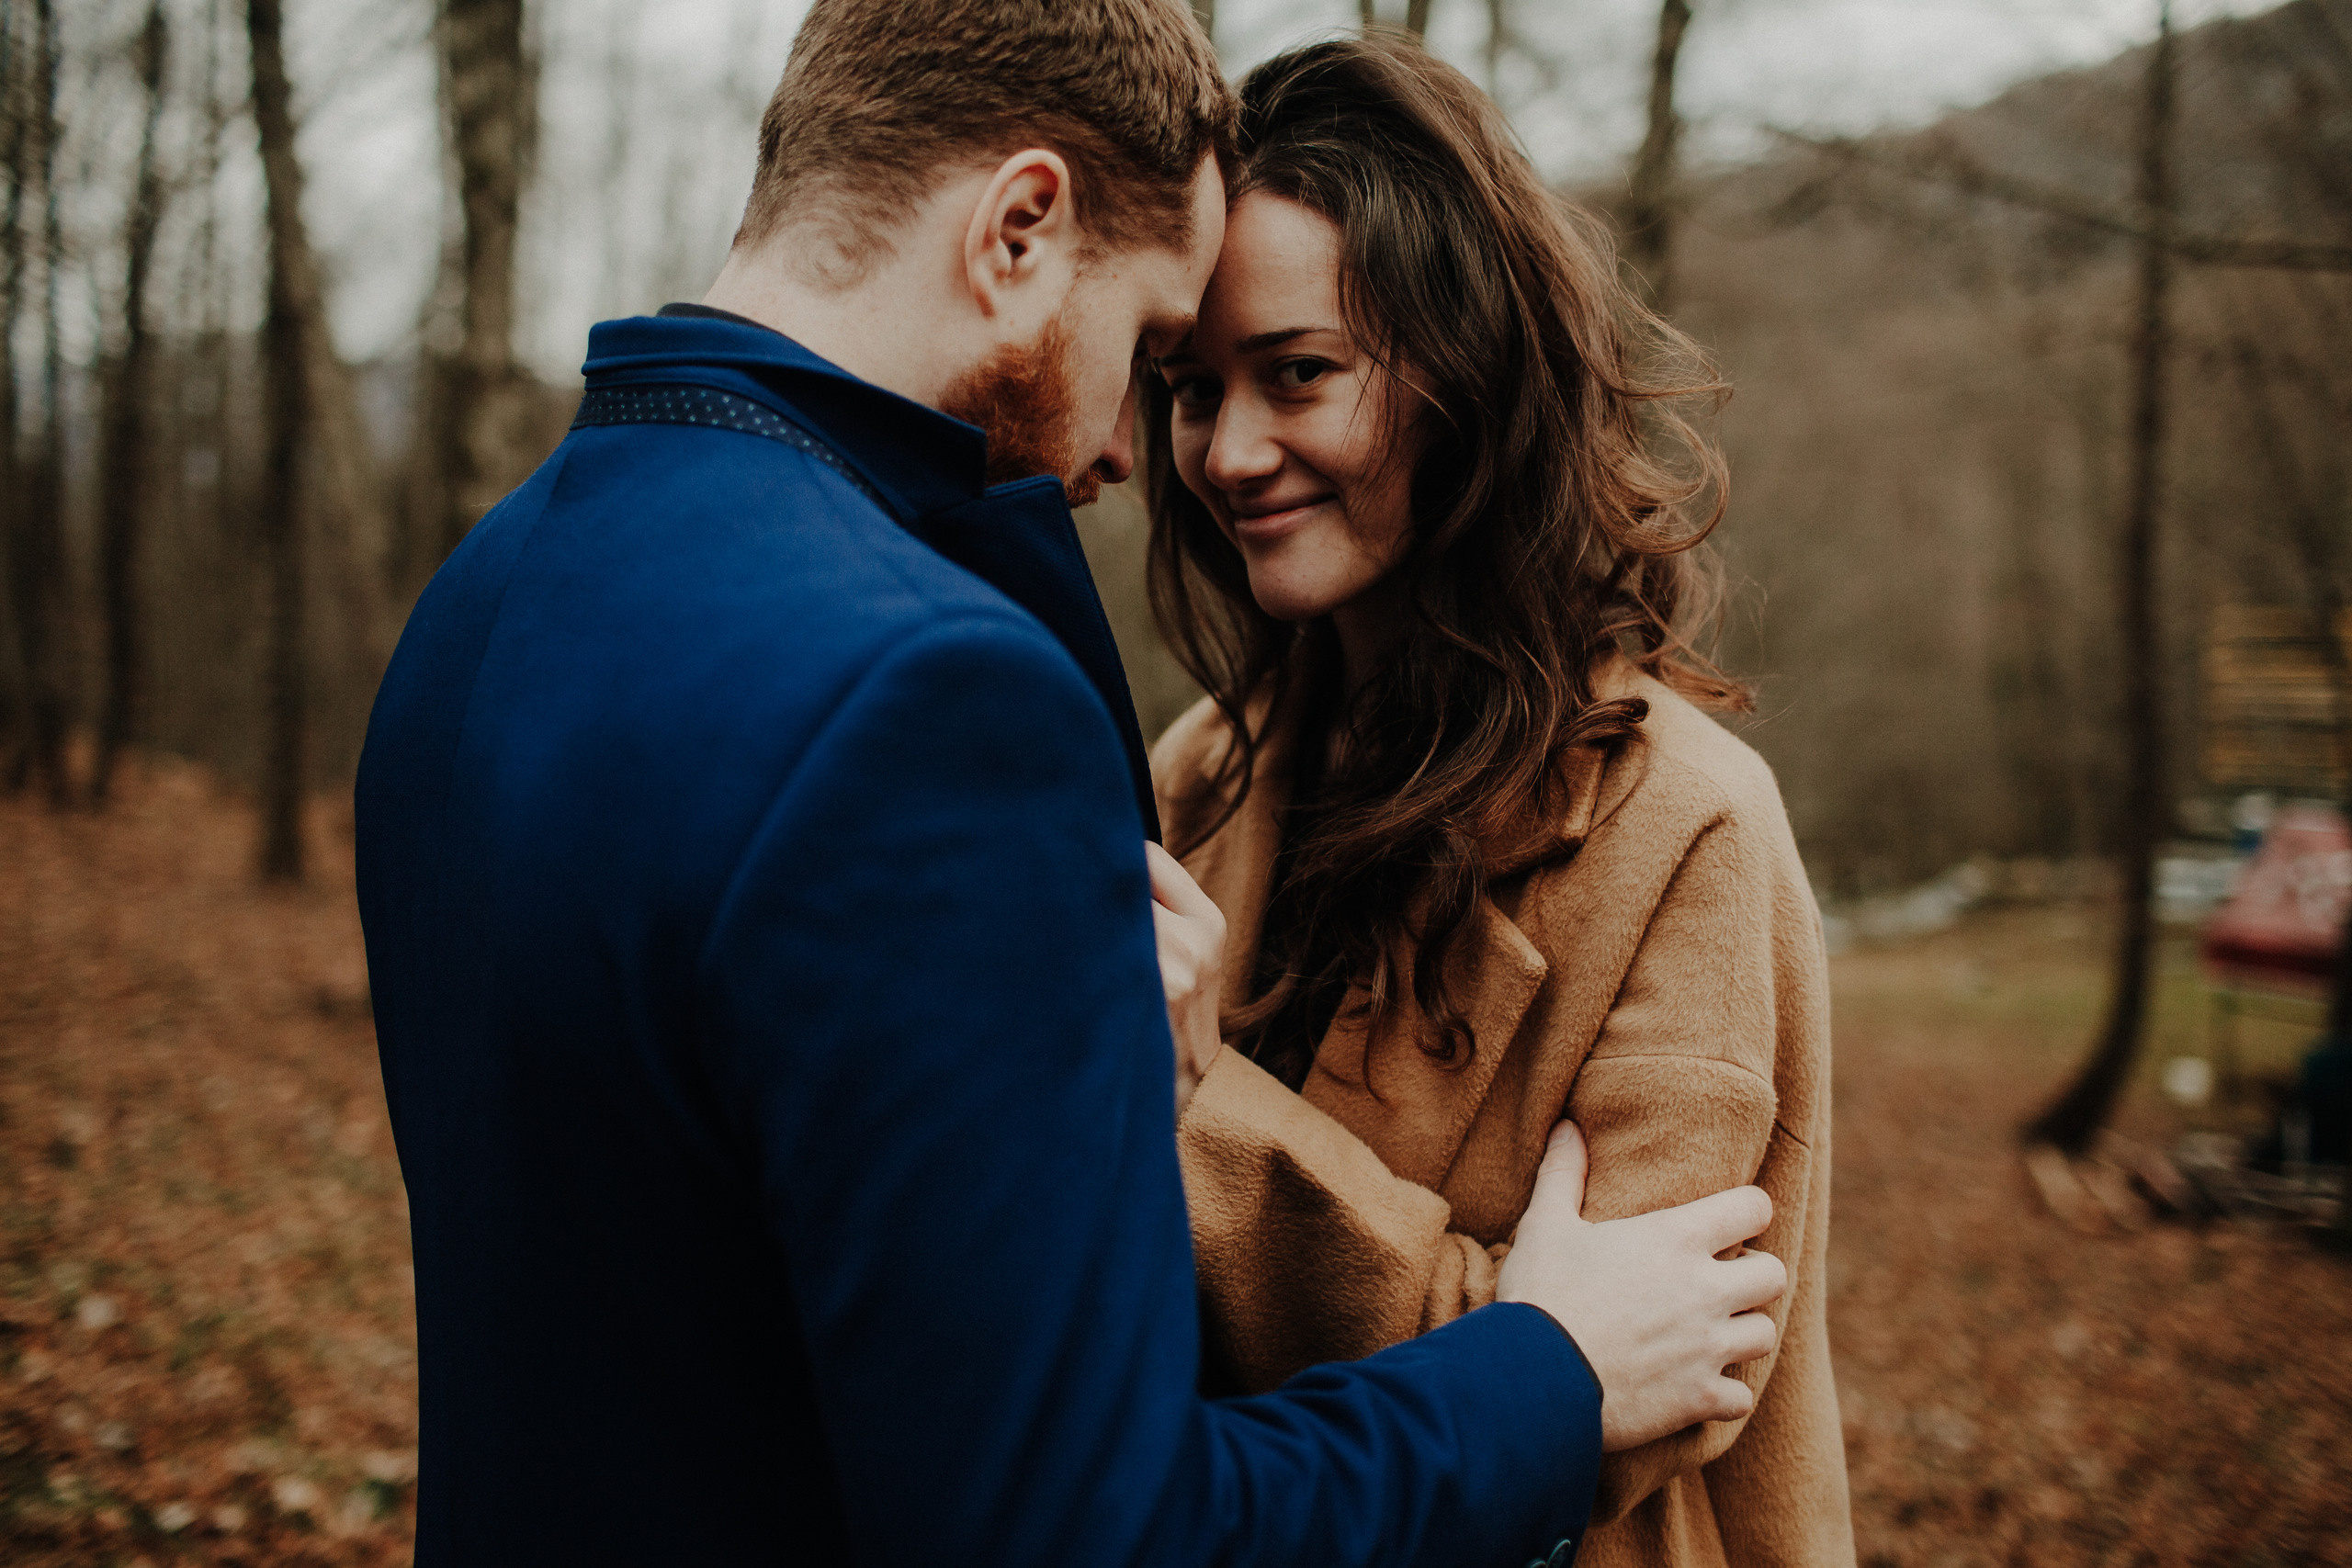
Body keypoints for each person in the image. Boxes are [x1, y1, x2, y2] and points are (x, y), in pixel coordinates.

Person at [356, 3, 1785, 1563]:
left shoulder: (482, 600)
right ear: (1020, 228)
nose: (1141, 452)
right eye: (1164, 360)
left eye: (1293, 372)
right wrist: (1548, 1369)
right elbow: (1088, 1529)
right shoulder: (934, 702)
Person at [1145, 35, 1854, 1568]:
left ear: (1466, 370)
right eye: (1192, 390)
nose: (1230, 452)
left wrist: (1186, 1114)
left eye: (1299, 372)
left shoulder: (1687, 829)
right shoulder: (1195, 770)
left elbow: (1650, 1390)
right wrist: (1516, 1327)